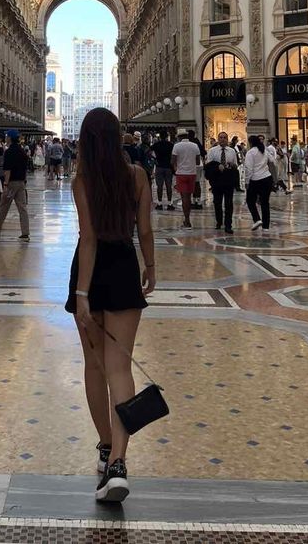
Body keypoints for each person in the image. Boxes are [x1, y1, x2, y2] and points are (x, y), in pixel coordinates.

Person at [64, 107, 155, 503]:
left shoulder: (81, 179)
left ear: (85, 140)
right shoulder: (137, 176)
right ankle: (118, 460)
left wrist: (83, 294)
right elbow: (146, 229)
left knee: (95, 366)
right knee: (120, 368)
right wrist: (151, 266)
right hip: (122, 268)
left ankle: (104, 446)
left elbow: (88, 238)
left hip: (90, 272)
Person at [0, 129, 30, 241]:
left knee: (4, 206)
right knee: (22, 208)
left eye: (7, 136)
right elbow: (24, 169)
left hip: (12, 183)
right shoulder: (22, 151)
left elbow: (7, 170)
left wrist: (6, 184)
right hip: (21, 182)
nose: (5, 138)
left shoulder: (9, 152)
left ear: (9, 138)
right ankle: (25, 232)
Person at [204, 132, 239, 233]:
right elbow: (208, 165)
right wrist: (217, 166)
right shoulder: (212, 151)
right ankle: (219, 222)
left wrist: (232, 165)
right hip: (217, 180)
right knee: (217, 203)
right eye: (221, 138)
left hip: (228, 179)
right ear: (218, 139)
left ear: (227, 139)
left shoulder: (232, 151)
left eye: (224, 137)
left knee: (229, 203)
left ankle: (228, 225)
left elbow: (236, 165)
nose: (222, 139)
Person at [171, 129, 200, 228]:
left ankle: (187, 220)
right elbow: (197, 161)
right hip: (192, 173)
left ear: (179, 137)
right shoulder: (194, 146)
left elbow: (173, 161)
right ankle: (187, 219)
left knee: (184, 198)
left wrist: (176, 168)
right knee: (189, 197)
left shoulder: (176, 146)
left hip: (181, 174)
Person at [243, 135, 273, 231]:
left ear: (250, 143)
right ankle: (266, 226)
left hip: (255, 180)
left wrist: (246, 181)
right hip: (267, 178)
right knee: (265, 203)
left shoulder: (250, 152)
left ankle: (257, 219)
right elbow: (273, 161)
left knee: (250, 200)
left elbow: (248, 168)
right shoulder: (264, 150)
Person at [152, 131, 174, 211]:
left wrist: (154, 160)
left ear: (160, 137)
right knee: (169, 186)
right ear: (166, 136)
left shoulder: (156, 144)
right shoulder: (171, 145)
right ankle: (170, 203)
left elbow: (149, 151)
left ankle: (160, 203)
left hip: (159, 167)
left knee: (159, 186)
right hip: (168, 167)